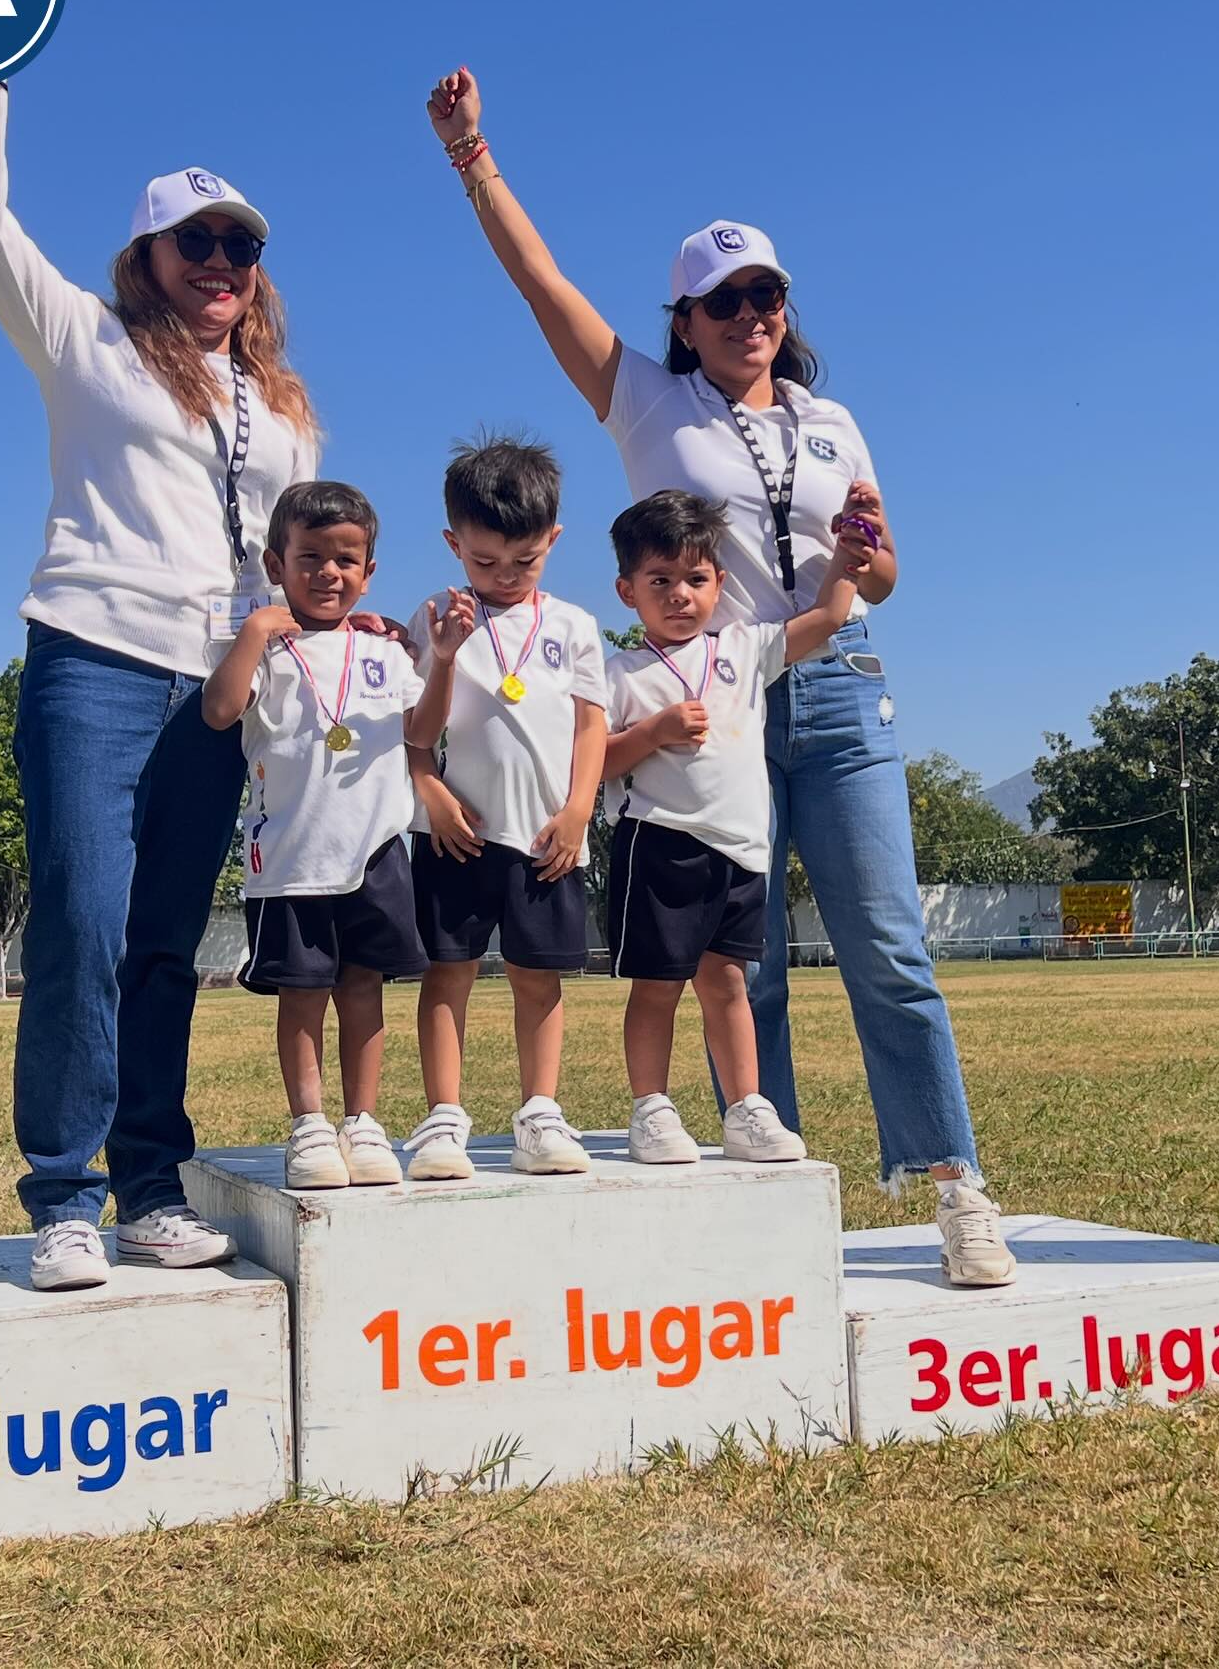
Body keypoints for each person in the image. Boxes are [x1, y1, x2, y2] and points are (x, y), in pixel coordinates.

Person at [420, 66, 1016, 1288]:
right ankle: (774, 1214)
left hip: (840, 680)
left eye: (768, 293)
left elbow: (888, 568)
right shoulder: (647, 398)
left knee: (888, 947)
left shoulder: (836, 418)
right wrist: (473, 156)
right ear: (683, 317)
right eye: (723, 298)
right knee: (735, 967)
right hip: (711, 710)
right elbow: (543, 284)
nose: (751, 312)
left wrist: (866, 562)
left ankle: (954, 1185)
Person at [0, 84, 318, 1289]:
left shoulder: (284, 409)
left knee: (163, 943)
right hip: (93, 664)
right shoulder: (86, 339)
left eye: (241, 247)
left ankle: (151, 1184)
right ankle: (64, 1193)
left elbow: (286, 554)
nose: (221, 262)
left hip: (215, 692)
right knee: (79, 919)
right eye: (196, 241)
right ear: (148, 256)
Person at [203, 481, 471, 1188]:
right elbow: (220, 711)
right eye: (310, 557)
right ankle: (310, 1127)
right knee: (303, 994)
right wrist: (255, 631)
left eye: (346, 560)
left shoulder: (386, 651)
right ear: (276, 563)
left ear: (369, 572)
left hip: (375, 853)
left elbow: (422, 731)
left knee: (364, 990)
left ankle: (364, 1122)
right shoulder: (265, 648)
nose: (329, 573)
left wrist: (441, 659)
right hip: (291, 859)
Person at [604, 489, 854, 1167]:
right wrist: (652, 732)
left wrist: (849, 555)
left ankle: (746, 1107)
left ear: (720, 585)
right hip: (658, 846)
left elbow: (830, 617)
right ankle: (650, 1109)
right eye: (660, 580)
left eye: (695, 578)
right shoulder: (620, 673)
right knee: (656, 986)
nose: (679, 594)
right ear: (628, 591)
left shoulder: (745, 648)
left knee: (729, 984)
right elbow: (594, 761)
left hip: (740, 852)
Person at [402, 437, 609, 1181]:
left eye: (524, 562)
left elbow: (592, 725)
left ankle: (540, 1113)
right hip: (455, 834)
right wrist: (428, 789)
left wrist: (581, 808)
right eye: (484, 562)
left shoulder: (574, 626)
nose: (503, 577)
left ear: (552, 540)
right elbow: (412, 728)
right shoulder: (434, 614)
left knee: (538, 977)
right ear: (454, 542)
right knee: (446, 972)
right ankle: (442, 1120)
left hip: (546, 835)